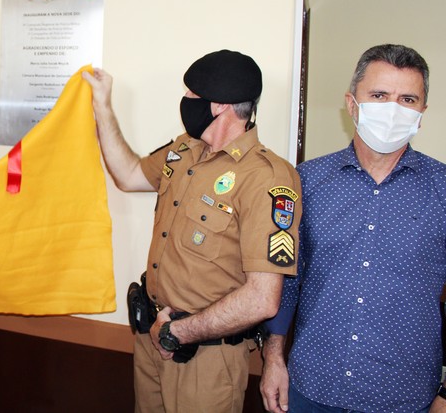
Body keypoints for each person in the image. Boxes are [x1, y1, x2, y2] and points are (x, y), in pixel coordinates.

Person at [83, 50, 302, 412]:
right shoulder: (185, 149)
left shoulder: (266, 177)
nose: (185, 100)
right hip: (152, 339)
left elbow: (263, 298)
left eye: (191, 94)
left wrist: (178, 333)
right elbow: (128, 174)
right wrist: (103, 105)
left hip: (205, 360)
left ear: (219, 105)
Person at [259, 44, 446, 413]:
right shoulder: (307, 180)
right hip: (313, 386)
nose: (393, 109)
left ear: (421, 113)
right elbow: (287, 278)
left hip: (404, 396)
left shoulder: (441, 188)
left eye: (407, 99)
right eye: (379, 95)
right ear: (352, 103)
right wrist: (273, 358)